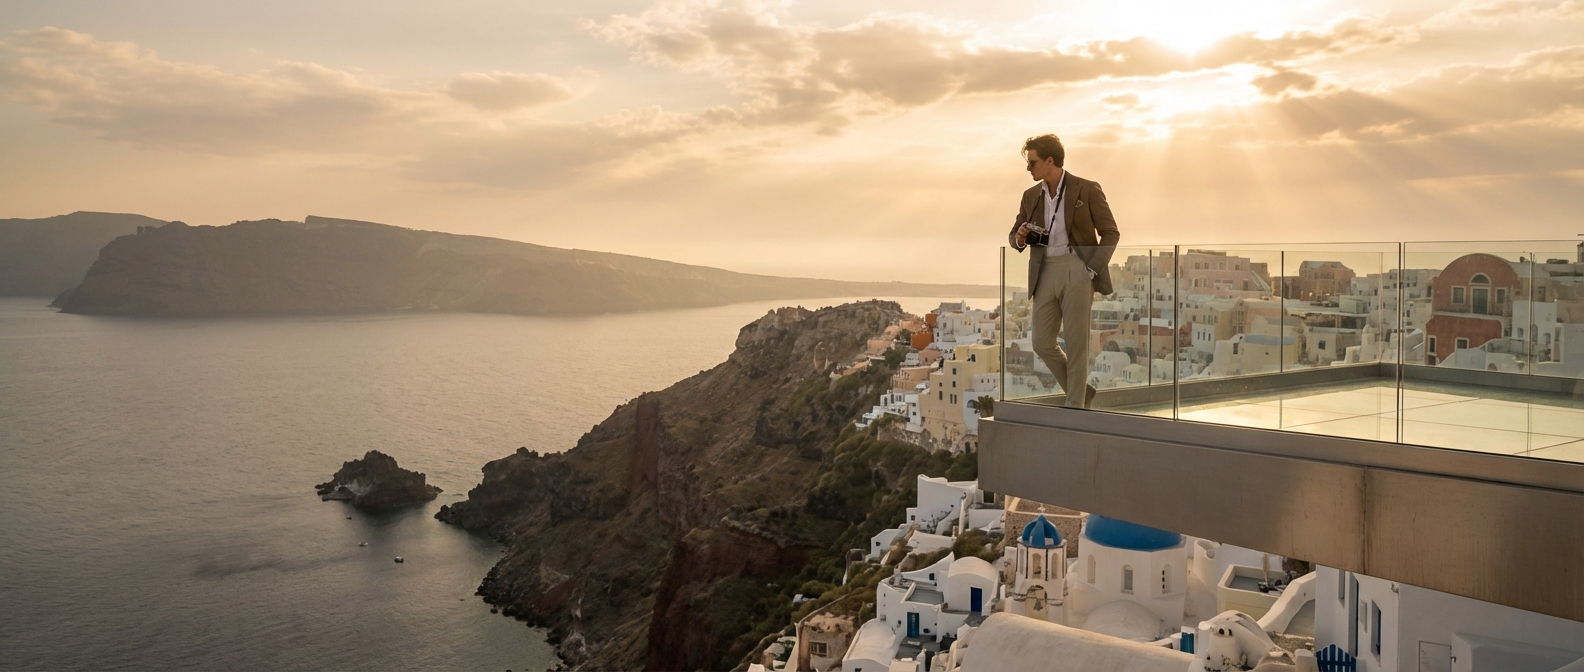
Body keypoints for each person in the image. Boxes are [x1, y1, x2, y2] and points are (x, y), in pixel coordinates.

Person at [1008, 134, 1120, 408]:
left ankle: (1075, 406)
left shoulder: (1086, 189)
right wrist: (1021, 236)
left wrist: (1091, 270)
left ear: (1049, 161)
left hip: (1076, 267)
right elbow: (1013, 237)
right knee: (1041, 342)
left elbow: (1110, 232)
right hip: (1044, 269)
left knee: (1076, 342)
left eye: (1032, 162)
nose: (1028, 169)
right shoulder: (1030, 196)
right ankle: (1082, 392)